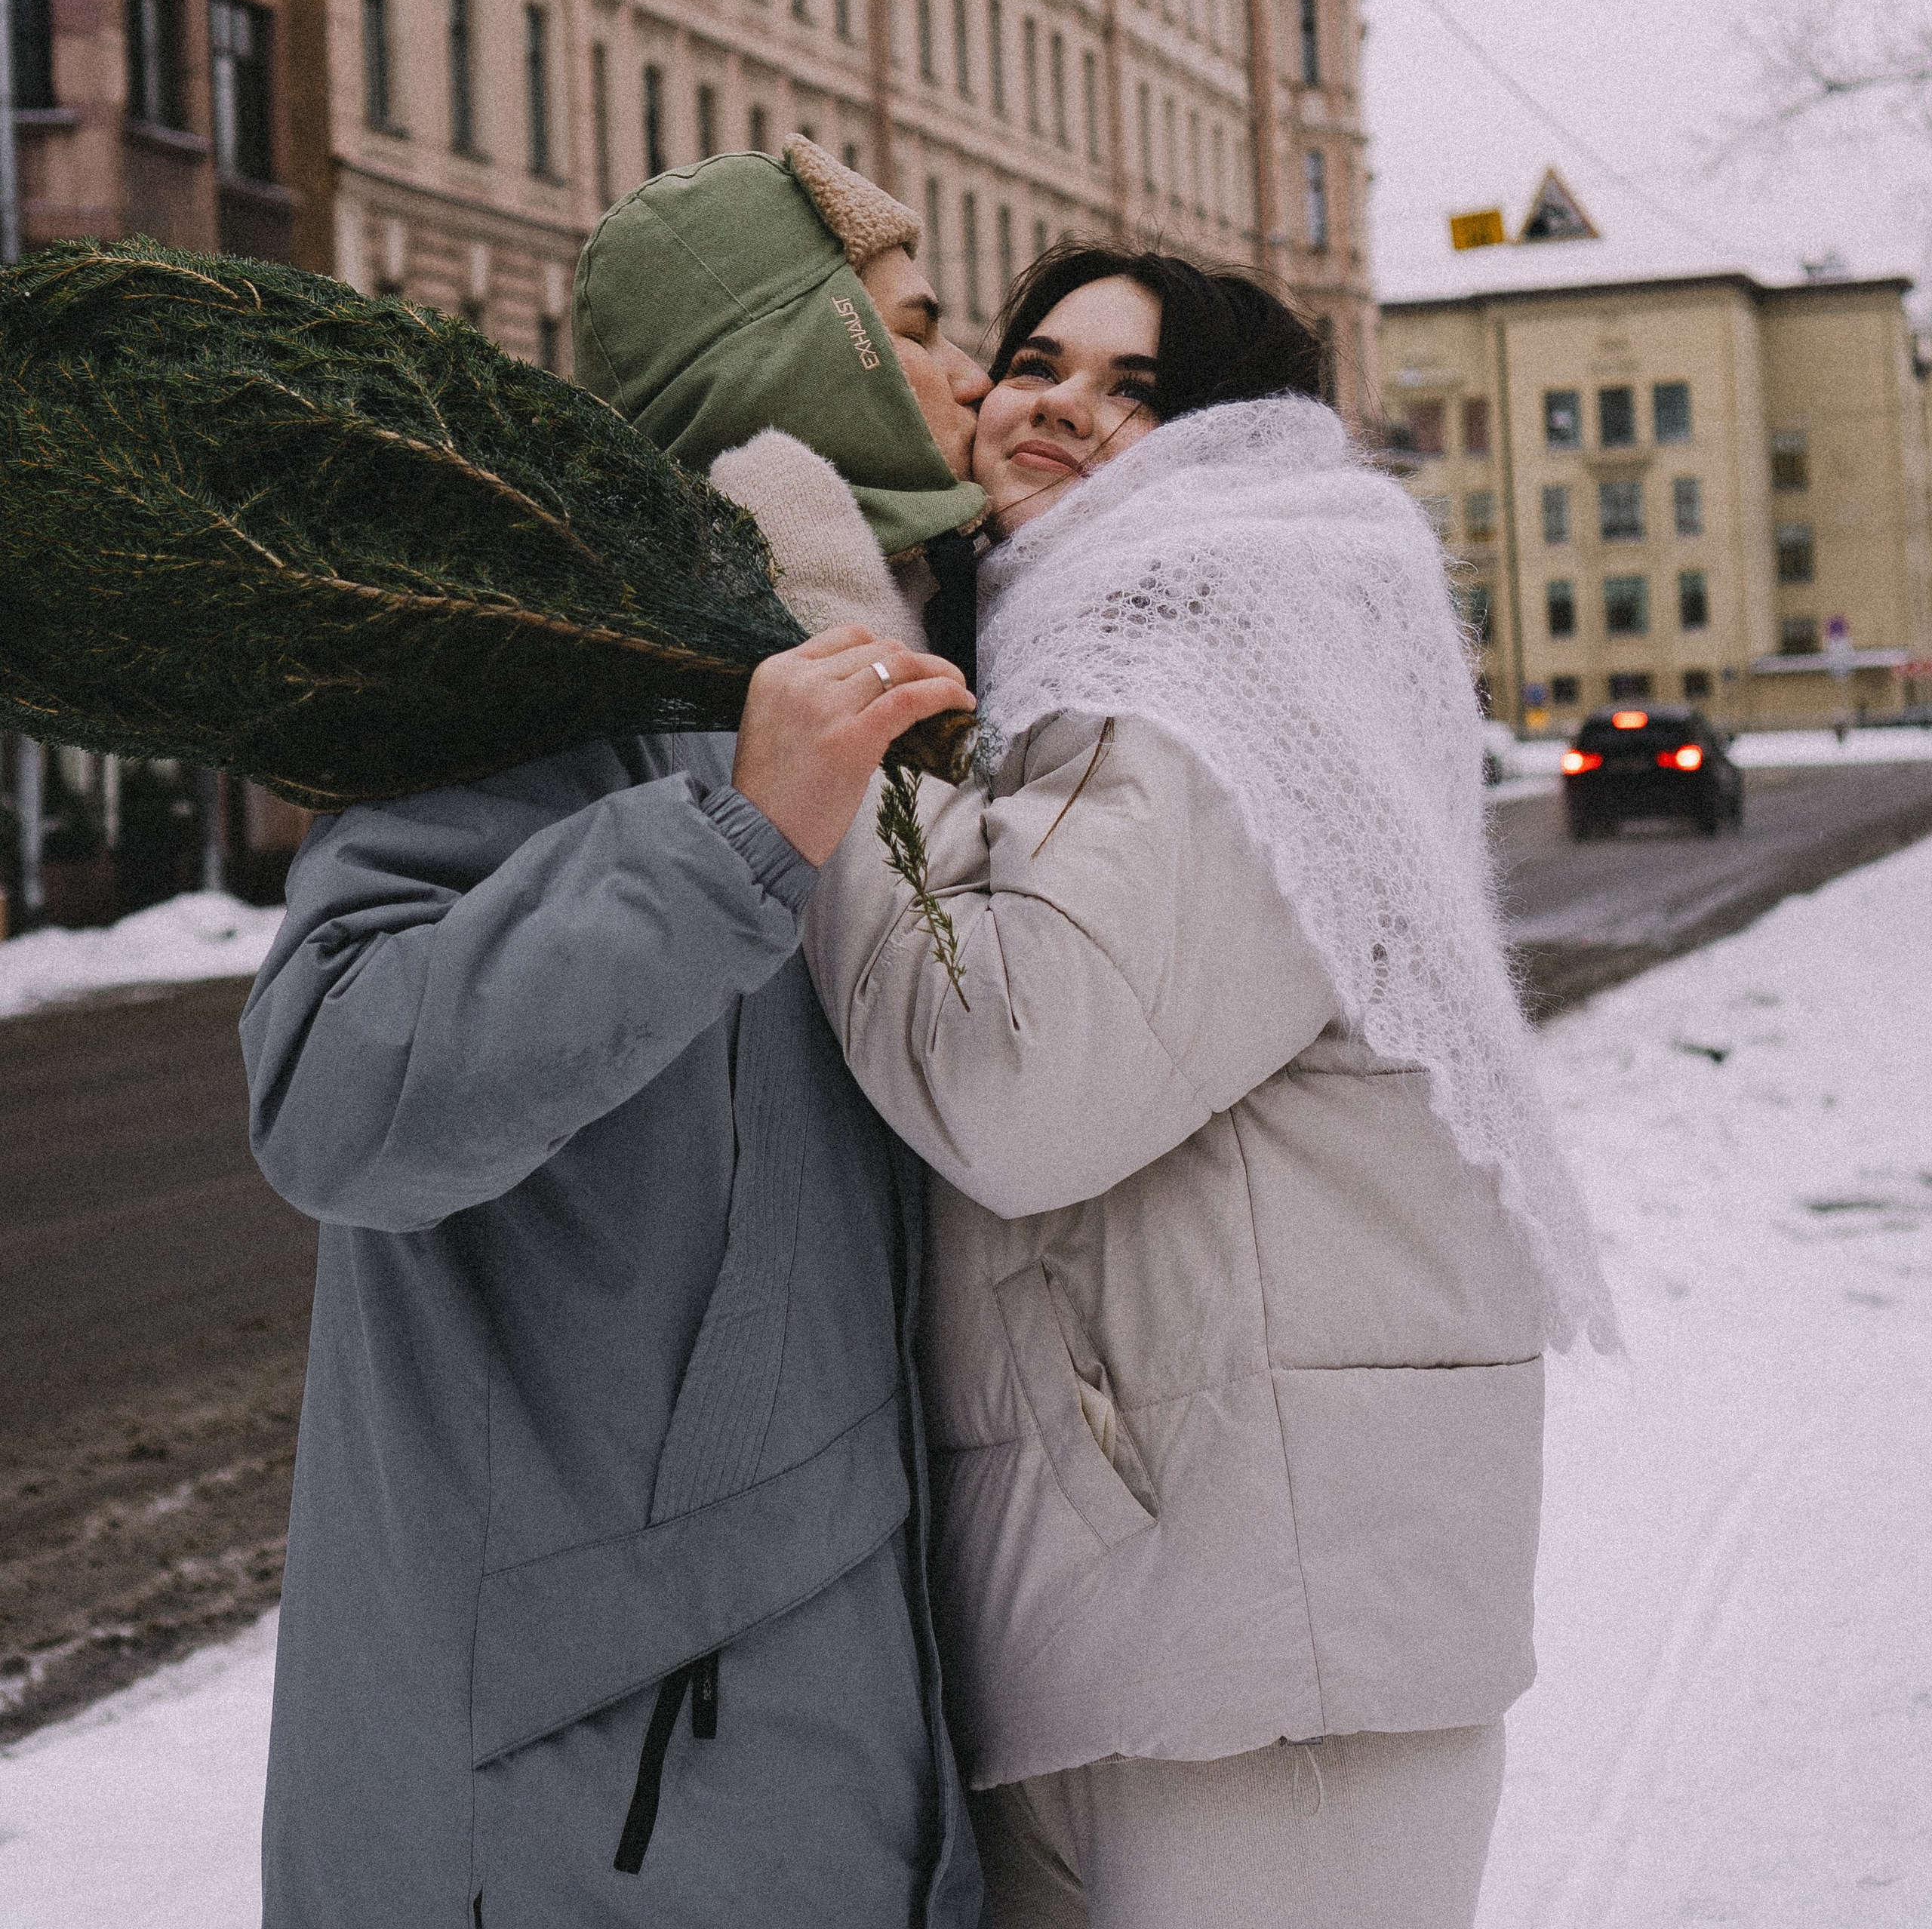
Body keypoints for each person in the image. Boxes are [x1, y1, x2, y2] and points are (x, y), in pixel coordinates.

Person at [803, 245, 1614, 1929]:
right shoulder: (1073, 658)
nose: (1062, 406)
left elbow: (1020, 1077)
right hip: (1171, 1579)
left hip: (1269, 1623)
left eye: (1140, 391)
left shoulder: (1226, 651)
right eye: (1037, 360)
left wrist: (834, 691)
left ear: (1232, 442)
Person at [241, 140, 987, 1929]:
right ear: (794, 364)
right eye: (913, 328)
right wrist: (728, 839)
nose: (967, 376)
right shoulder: (558, 678)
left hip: (802, 1741)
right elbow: (337, 1096)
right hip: (583, 1789)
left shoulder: (880, 695)